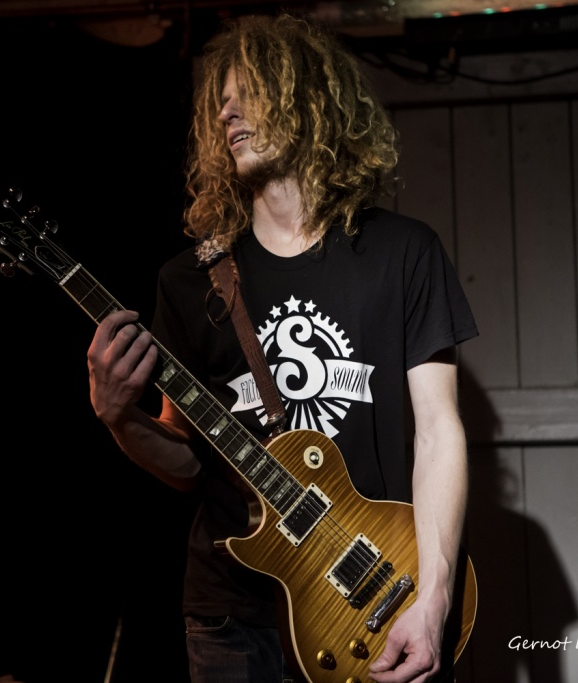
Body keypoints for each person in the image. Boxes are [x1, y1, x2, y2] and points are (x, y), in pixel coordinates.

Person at [86, 12, 477, 683]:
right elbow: (186, 462)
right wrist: (118, 417)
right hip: (233, 614)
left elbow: (440, 432)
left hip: (372, 597)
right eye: (221, 102)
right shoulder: (188, 280)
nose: (227, 112)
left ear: (307, 99)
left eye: (249, 93)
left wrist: (434, 598)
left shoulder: (403, 253)